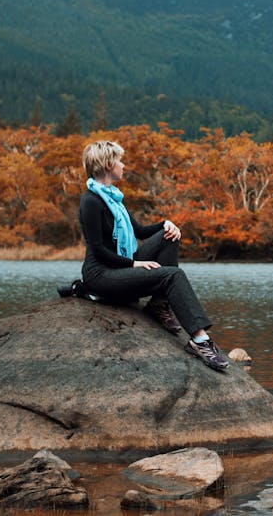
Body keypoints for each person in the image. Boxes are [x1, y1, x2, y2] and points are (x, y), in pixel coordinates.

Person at [78, 139, 229, 371]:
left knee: (170, 235)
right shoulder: (90, 201)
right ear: (108, 164)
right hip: (101, 275)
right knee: (172, 275)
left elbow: (139, 231)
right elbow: (98, 250)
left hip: (120, 268)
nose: (123, 165)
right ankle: (200, 341)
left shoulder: (114, 198)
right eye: (119, 160)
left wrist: (166, 224)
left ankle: (159, 304)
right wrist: (135, 263)